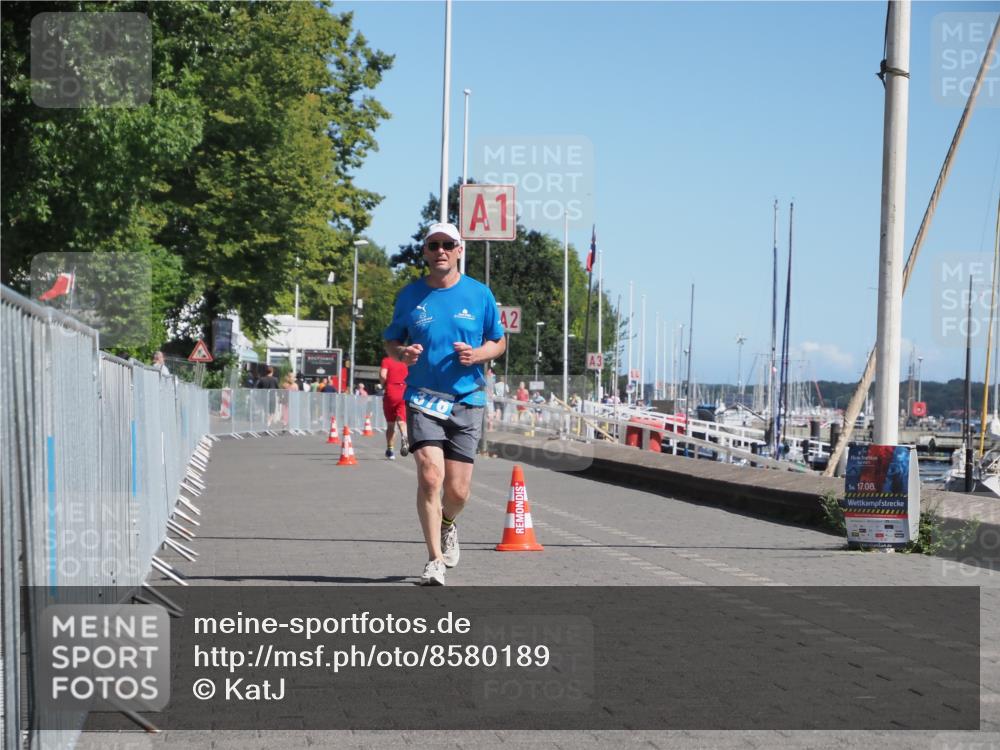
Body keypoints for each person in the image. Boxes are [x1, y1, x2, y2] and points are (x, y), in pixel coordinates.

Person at [383, 222, 505, 586]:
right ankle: (434, 560)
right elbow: (392, 341)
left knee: (458, 492)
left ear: (459, 250)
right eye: (433, 245)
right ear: (424, 251)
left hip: (468, 399)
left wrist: (478, 354)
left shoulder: (479, 294)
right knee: (430, 476)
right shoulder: (410, 296)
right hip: (422, 398)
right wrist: (402, 353)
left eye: (448, 244)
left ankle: (448, 523)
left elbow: (499, 342)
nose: (441, 251)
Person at [380, 355, 409, 460]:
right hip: (404, 391)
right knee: (402, 421)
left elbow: (383, 375)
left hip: (391, 391)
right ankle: (404, 437)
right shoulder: (407, 361)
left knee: (391, 424)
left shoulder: (387, 360)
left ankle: (390, 450)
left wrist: (383, 385)